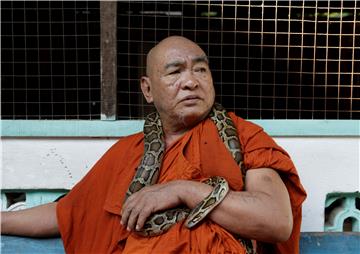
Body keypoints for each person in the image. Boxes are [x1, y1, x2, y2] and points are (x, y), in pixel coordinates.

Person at [1, 36, 306, 253]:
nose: (191, 81)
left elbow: (276, 222)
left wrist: (184, 190)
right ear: (148, 89)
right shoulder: (128, 152)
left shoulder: (244, 136)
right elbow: (68, 213)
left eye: (201, 69)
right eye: (175, 72)